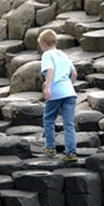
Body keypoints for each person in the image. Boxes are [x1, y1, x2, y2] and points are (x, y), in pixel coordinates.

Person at [38, 29, 78, 162]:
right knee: (69, 123)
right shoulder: (64, 55)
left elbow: (50, 70)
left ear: (43, 44)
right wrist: (70, 85)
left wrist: (47, 86)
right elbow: (74, 73)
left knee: (49, 119)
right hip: (69, 93)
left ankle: (50, 147)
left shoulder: (47, 55)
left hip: (56, 92)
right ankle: (71, 152)